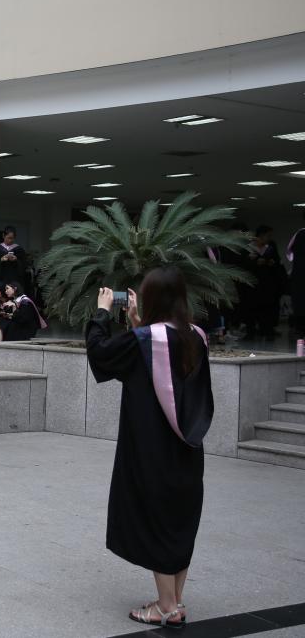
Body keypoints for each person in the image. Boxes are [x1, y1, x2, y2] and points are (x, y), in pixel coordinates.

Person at [86, 267, 213, 630]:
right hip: (188, 447)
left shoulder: (145, 340)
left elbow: (100, 353)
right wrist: (138, 324)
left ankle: (166, 608)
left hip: (151, 449)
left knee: (156, 519)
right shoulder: (197, 336)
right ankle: (175, 600)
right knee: (179, 521)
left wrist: (102, 313)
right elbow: (162, 357)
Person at [244, 225, 283, 341]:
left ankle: (267, 331)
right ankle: (250, 331)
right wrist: (255, 262)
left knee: (267, 308)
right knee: (251, 308)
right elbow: (243, 265)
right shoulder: (248, 247)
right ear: (261, 235)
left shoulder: (270, 247)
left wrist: (272, 263)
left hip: (267, 283)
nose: (269, 238)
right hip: (252, 284)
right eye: (268, 236)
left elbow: (277, 261)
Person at [286, 216, 305, 334]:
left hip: (299, 276)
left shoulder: (299, 234)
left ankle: (301, 333)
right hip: (301, 276)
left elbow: (290, 253)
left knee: (301, 305)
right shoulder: (301, 234)